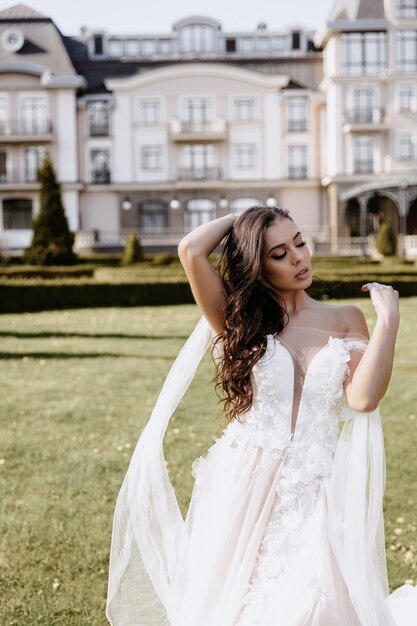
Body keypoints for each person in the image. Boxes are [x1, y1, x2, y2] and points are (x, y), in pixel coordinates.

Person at [106, 206, 417, 626]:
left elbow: (363, 400)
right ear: (256, 262)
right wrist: (245, 216)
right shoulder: (238, 320)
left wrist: (389, 321)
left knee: (316, 601)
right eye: (279, 253)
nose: (299, 258)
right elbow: (191, 249)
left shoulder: (344, 318)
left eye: (300, 243)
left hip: (317, 483)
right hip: (247, 480)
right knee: (237, 603)